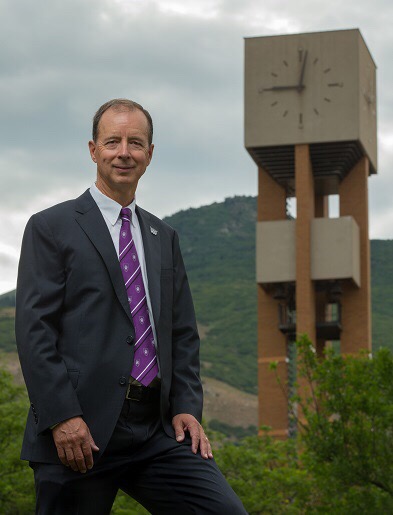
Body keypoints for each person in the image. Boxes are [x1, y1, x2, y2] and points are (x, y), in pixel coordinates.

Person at [15, 99, 247, 514]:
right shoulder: (51, 227)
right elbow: (35, 333)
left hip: (155, 430)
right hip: (79, 432)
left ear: (150, 154)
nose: (124, 152)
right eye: (113, 141)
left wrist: (187, 408)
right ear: (93, 150)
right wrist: (62, 417)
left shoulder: (164, 236)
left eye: (135, 142)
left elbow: (182, 334)